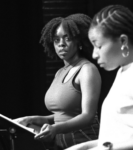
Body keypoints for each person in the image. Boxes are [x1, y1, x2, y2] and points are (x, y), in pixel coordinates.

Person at [65, 5, 133, 150]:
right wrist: (82, 147)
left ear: (123, 41)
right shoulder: (124, 71)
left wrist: (104, 149)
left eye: (98, 46)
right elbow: (118, 139)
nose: (94, 54)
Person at [14, 14, 101, 150]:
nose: (61, 43)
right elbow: (61, 115)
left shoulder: (87, 69)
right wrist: (32, 119)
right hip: (59, 144)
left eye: (67, 38)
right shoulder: (60, 73)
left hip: (83, 141)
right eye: (56, 40)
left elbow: (88, 116)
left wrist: (55, 128)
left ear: (79, 42)